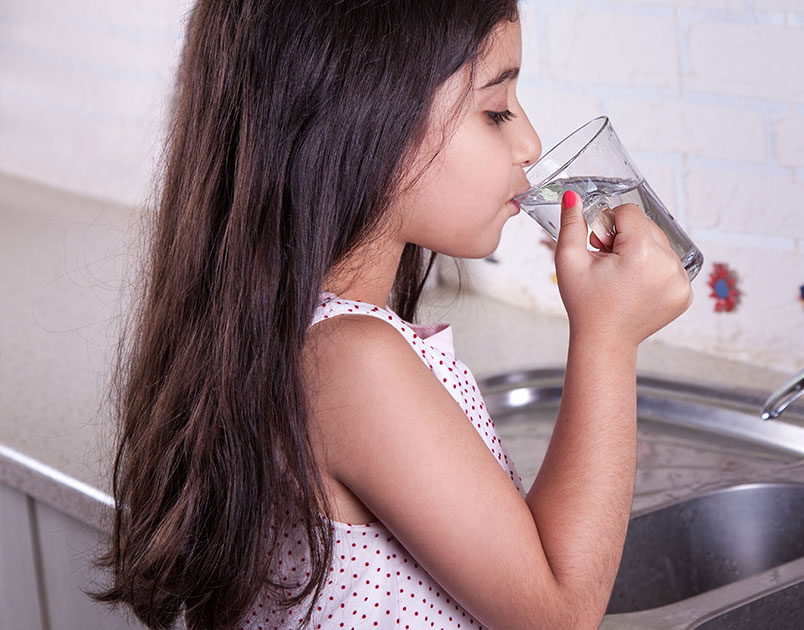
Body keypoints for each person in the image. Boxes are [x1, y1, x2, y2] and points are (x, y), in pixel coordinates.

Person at [92, 1, 693, 629]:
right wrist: (607, 339)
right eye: (495, 111)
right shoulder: (349, 362)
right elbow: (559, 616)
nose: (529, 143)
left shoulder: (305, 337)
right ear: (362, 119)